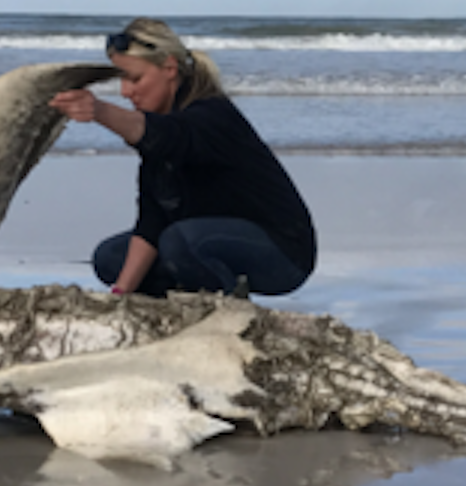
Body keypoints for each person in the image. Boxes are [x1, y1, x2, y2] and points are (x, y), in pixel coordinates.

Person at [49, 18, 315, 298]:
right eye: (122, 81)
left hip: (283, 254)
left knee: (179, 242)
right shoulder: (160, 133)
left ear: (169, 68)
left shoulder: (211, 115)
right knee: (110, 258)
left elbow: (168, 136)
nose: (126, 92)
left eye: (135, 79)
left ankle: (228, 309)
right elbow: (151, 223)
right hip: (203, 240)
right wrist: (120, 293)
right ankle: (176, 307)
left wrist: (100, 111)